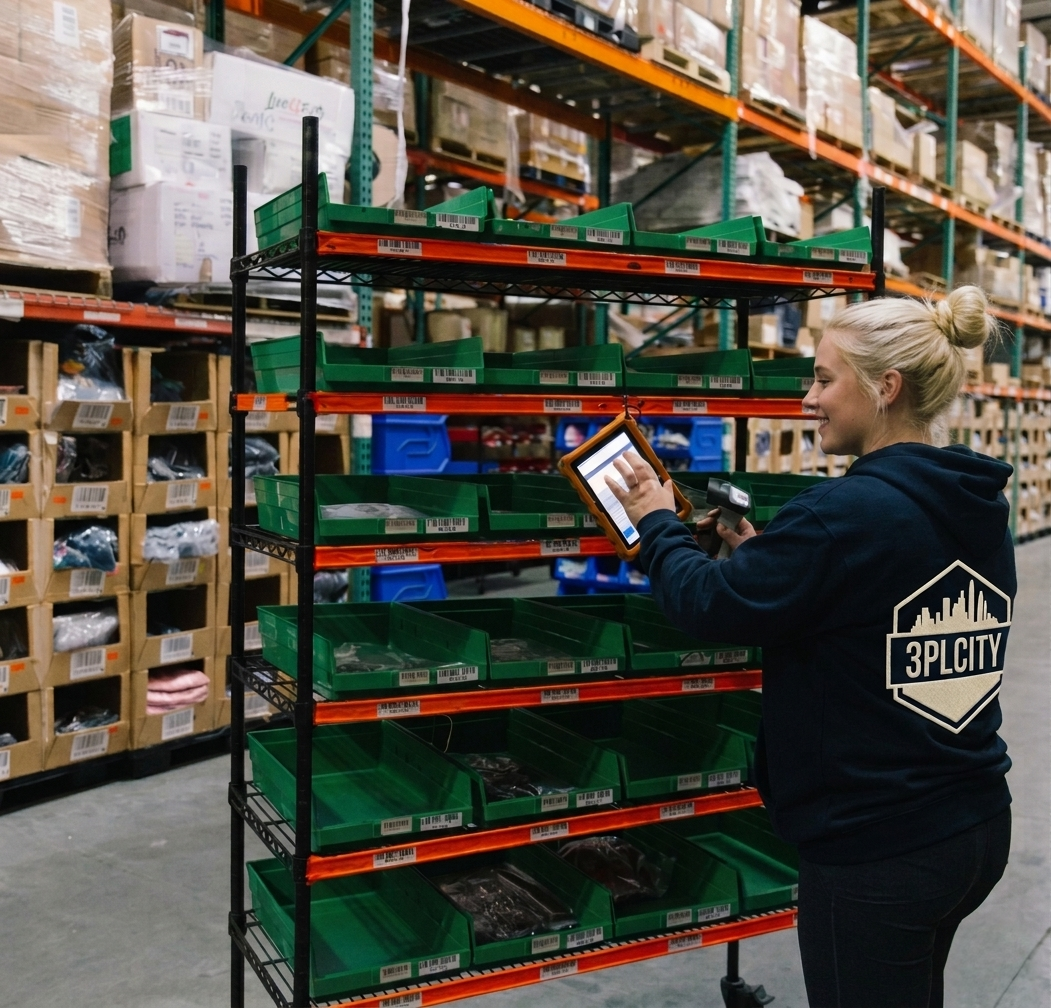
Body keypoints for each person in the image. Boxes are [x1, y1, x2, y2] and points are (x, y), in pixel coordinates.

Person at [605, 285, 1014, 1008]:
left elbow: (709, 604)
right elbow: (872, 594)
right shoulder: (969, 500)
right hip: (970, 823)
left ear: (885, 387)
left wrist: (653, 525)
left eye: (824, 378)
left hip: (877, 848)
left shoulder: (843, 514)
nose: (806, 399)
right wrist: (771, 559)